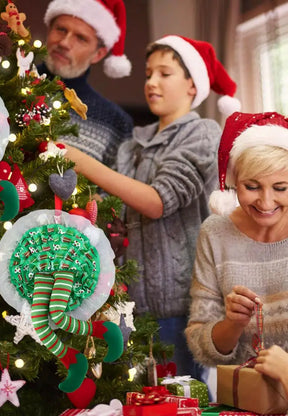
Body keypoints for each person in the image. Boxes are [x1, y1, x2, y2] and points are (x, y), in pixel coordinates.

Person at [63, 35, 240, 377]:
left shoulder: (203, 133)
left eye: (164, 73)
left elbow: (158, 201)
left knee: (178, 398)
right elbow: (116, 206)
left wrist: (82, 162)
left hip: (182, 309)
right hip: (129, 306)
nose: (151, 82)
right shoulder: (131, 147)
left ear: (192, 85)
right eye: (148, 74)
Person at [186, 112, 288, 371]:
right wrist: (233, 324)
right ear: (233, 182)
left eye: (281, 188)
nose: (265, 203)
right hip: (245, 401)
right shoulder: (215, 233)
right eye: (251, 187)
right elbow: (201, 347)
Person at [39, 0, 134, 167]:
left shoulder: (116, 123)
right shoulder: (7, 80)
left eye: (81, 38)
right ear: (49, 30)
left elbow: (111, 192)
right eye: (61, 29)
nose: (64, 43)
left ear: (98, 54)